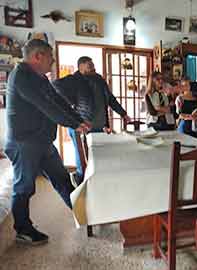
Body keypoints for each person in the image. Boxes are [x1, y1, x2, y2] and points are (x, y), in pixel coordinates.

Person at [4, 39, 91, 245]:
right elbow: (46, 107)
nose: (53, 62)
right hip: (24, 143)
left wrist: (78, 119)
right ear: (38, 56)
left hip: (42, 141)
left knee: (61, 178)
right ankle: (23, 230)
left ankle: (84, 212)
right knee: (24, 187)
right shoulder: (21, 77)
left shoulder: (41, 78)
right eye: (50, 57)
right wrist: (73, 124)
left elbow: (58, 100)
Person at [53, 56, 130, 185]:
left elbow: (110, 99)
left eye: (93, 66)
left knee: (98, 159)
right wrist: (70, 101)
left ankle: (95, 183)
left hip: (100, 127)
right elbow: (55, 85)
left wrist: (123, 113)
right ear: (80, 67)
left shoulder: (99, 80)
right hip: (82, 126)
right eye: (90, 66)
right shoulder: (75, 79)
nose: (93, 68)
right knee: (83, 160)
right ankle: (80, 181)